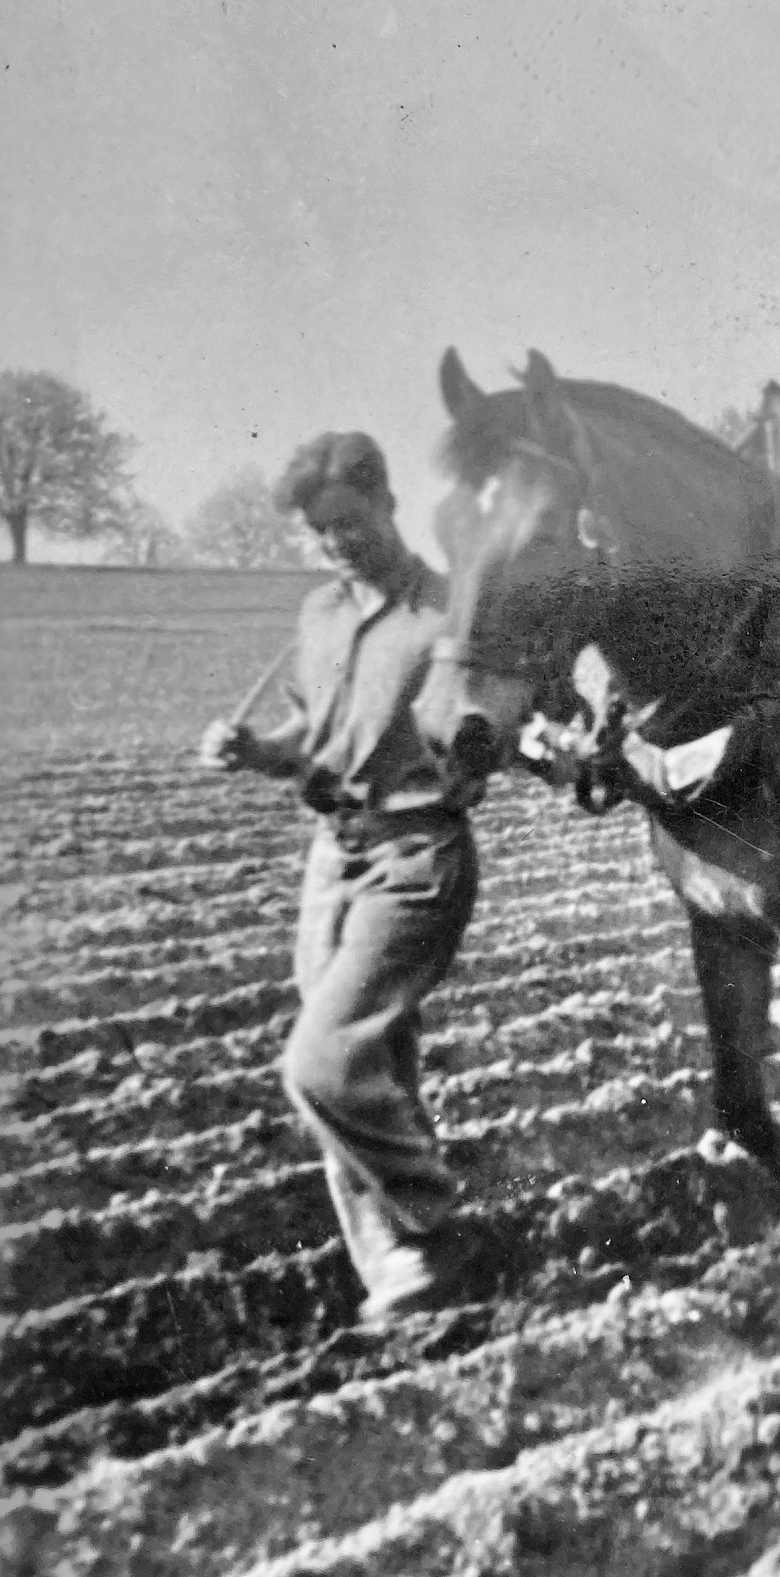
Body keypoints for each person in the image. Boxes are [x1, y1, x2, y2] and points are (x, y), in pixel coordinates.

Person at [199, 432, 489, 1324]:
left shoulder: (450, 613)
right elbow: (308, 741)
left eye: (350, 525)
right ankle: (404, 1282)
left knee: (324, 1064)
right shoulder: (319, 616)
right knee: (370, 1076)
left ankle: (439, 1231)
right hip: (333, 856)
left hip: (415, 857)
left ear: (389, 503)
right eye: (320, 533)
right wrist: (255, 752)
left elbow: (494, 727)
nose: (338, 545)